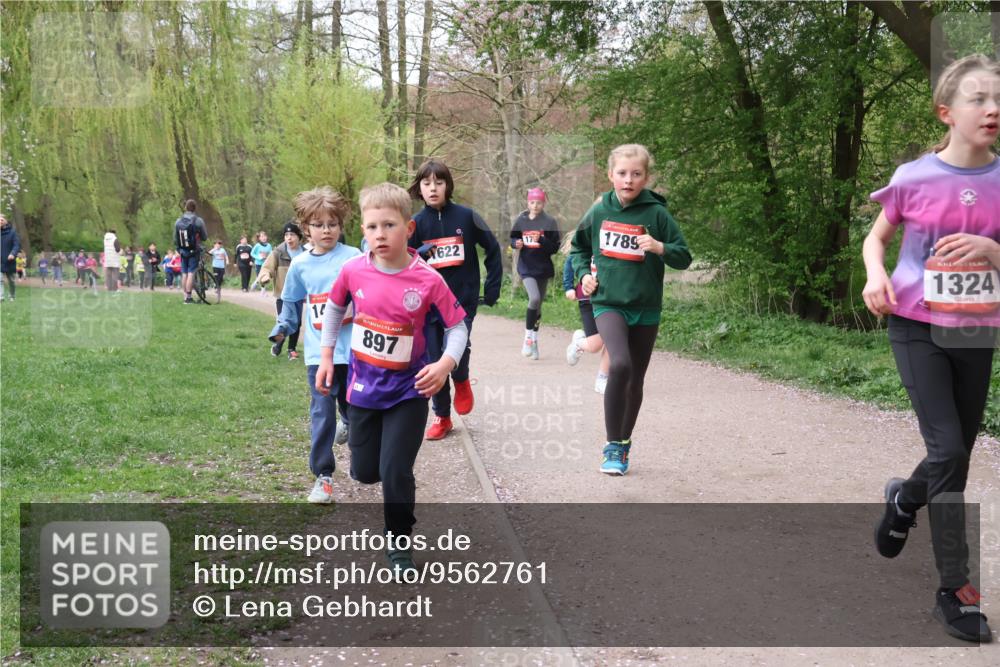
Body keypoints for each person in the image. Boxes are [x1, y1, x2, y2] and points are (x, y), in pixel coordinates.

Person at [862, 54, 1000, 644]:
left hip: (976, 330)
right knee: (948, 448)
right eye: (978, 98)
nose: (992, 109)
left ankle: (904, 498)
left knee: (957, 453)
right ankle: (956, 589)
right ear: (947, 112)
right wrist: (874, 273)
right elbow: (878, 236)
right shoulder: (913, 177)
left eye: (998, 99)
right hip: (916, 324)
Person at [316, 182, 468, 576]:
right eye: (371, 227)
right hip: (363, 391)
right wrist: (328, 356)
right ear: (363, 231)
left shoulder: (427, 279)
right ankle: (371, 460)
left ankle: (399, 545)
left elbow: (457, 327)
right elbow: (333, 311)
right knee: (366, 472)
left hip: (409, 390)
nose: (379, 235)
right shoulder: (352, 271)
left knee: (396, 471)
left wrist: (445, 364)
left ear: (408, 228)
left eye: (388, 225)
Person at [570, 143, 691, 476]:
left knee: (635, 379)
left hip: (646, 307)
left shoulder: (656, 214)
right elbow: (577, 249)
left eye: (636, 174)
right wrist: (583, 277)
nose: (628, 180)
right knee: (619, 364)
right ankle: (611, 444)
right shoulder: (598, 212)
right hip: (608, 302)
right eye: (622, 173)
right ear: (610, 175)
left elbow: (684, 256)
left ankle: (623, 446)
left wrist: (659, 246)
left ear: (646, 177)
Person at [268, 187, 360, 502]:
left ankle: (350, 427)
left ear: (341, 226)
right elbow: (291, 303)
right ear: (306, 228)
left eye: (332, 224)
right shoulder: (301, 265)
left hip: (355, 353)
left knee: (357, 412)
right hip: (318, 357)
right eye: (319, 225)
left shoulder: (354, 258)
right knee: (322, 413)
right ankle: (323, 476)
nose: (326, 230)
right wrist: (282, 328)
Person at [407, 159, 502, 440]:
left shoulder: (467, 216)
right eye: (427, 183)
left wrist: (492, 288)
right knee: (434, 357)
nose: (433, 188)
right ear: (419, 188)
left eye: (439, 182)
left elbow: (493, 248)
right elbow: (406, 262)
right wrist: (420, 252)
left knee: (458, 346)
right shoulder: (416, 224)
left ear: (448, 185)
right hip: (429, 303)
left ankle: (461, 380)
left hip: (463, 298)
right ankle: (443, 417)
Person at [510, 187, 561, 359]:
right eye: (532, 202)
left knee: (538, 307)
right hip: (526, 267)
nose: (535, 205)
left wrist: (543, 240)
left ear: (543, 203)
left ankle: (535, 340)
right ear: (528, 202)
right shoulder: (521, 220)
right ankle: (527, 338)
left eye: (538, 202)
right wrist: (515, 243)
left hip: (543, 268)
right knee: (535, 298)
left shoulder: (549, 222)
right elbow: (513, 238)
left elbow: (555, 247)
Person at [561, 232, 611, 392]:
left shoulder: (613, 238)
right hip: (587, 298)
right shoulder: (585, 242)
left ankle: (603, 379)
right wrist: (569, 287)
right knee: (596, 345)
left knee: (612, 339)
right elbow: (570, 264)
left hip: (610, 299)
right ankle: (578, 343)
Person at [261, 222, 306, 360]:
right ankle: (278, 345)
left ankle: (291, 349)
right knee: (284, 322)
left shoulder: (305, 254)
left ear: (299, 237)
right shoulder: (278, 253)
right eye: (286, 235)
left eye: (292, 235)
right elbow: (266, 268)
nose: (289, 238)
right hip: (282, 295)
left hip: (298, 296)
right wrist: (265, 276)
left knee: (297, 323)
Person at [173, 199, 209, 304]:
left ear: (185, 208)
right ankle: (189, 297)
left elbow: (175, 239)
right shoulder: (198, 221)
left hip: (182, 251)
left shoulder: (178, 221)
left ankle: (185, 296)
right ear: (195, 208)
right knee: (191, 273)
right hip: (194, 251)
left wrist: (179, 249)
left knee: (184, 273)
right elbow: (205, 237)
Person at [0, 215, 20, 301]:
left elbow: (16, 245)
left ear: (6, 221)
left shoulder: (12, 232)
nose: (0, 221)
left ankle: (12, 296)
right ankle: (1, 297)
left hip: (9, 260)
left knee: (11, 280)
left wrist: (12, 253)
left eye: (1, 219)